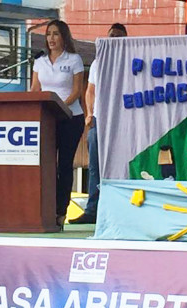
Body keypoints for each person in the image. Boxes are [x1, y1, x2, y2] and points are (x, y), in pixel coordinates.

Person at [69, 23, 128, 224]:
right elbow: (90, 91)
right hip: (100, 120)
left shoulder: (130, 61)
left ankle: (120, 212)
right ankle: (92, 211)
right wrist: (89, 114)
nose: (115, 39)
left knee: (120, 167)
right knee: (95, 167)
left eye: (119, 36)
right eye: (112, 36)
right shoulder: (98, 62)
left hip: (122, 121)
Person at [31, 20, 85, 229]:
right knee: (46, 164)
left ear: (64, 37)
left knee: (64, 165)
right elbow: (35, 89)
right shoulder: (40, 61)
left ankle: (60, 211)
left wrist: (60, 107)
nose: (51, 38)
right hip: (47, 119)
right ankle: (44, 209)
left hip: (70, 118)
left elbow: (76, 91)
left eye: (55, 34)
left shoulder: (74, 59)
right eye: (48, 34)